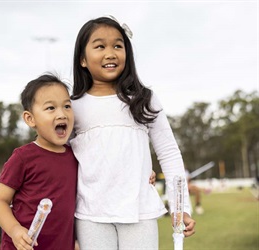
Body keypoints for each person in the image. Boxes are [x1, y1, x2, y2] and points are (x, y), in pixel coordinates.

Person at [69, 15, 196, 249]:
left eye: (118, 45)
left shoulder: (144, 99)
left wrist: (181, 208)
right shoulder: (71, 107)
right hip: (90, 216)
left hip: (140, 213)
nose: (111, 53)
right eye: (100, 46)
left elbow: (168, 153)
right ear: (83, 60)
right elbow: (59, 158)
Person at [0, 74, 78, 250]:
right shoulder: (23, 157)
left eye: (67, 106)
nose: (62, 113)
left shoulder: (76, 156)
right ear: (30, 119)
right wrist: (15, 230)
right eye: (51, 108)